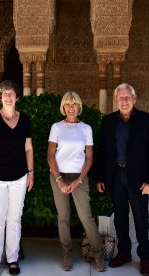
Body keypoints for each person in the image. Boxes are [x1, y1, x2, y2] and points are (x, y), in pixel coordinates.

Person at [96, 83, 149, 275]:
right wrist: (101, 177)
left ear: (134, 99)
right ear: (116, 100)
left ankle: (145, 256)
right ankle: (124, 252)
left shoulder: (147, 120)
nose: (124, 101)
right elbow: (103, 151)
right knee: (120, 218)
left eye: (127, 97)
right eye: (120, 98)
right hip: (116, 175)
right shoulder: (108, 121)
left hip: (139, 178)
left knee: (141, 218)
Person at [47, 91, 106, 272]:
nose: (71, 108)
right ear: (63, 107)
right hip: (58, 176)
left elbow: (89, 158)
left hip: (80, 177)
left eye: (74, 104)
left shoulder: (86, 129)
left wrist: (79, 180)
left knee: (86, 217)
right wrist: (59, 179)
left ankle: (98, 254)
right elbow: (50, 155)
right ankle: (67, 254)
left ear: (79, 107)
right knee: (63, 217)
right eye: (67, 104)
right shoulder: (56, 127)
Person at [0, 80, 34, 276]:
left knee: (14, 219)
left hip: (19, 177)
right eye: (5, 93)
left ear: (17, 97)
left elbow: (28, 148)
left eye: (11, 93)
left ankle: (12, 259)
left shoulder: (25, 119)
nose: (8, 97)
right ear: (0, 97)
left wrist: (31, 173)